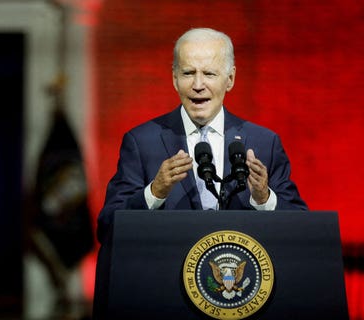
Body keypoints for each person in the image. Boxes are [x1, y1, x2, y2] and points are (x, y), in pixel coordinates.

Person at [97, 27, 307, 243]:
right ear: (174, 79)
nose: (198, 85)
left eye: (209, 74)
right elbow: (107, 227)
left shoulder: (264, 143)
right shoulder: (142, 142)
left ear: (230, 79)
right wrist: (154, 192)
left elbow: (302, 229)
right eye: (188, 73)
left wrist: (265, 199)